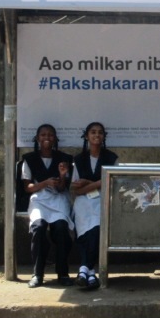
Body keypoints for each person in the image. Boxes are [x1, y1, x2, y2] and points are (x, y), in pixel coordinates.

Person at [21, 123, 74, 288]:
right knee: (38, 227)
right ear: (37, 138)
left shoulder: (64, 159)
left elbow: (62, 188)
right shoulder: (29, 159)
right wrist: (44, 183)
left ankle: (63, 272)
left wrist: (62, 176)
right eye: (43, 135)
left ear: (55, 139)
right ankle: (37, 274)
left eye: (50, 135)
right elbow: (27, 187)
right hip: (40, 199)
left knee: (60, 228)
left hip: (58, 199)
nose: (47, 138)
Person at [70, 121, 118, 291]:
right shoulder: (78, 159)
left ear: (104, 136)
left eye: (100, 132)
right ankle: (90, 273)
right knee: (84, 229)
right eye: (93, 132)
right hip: (83, 201)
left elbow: (112, 183)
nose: (96, 135)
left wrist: (90, 183)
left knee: (97, 228)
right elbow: (77, 190)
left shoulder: (111, 158)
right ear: (87, 136)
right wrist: (99, 182)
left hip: (103, 200)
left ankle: (84, 269)